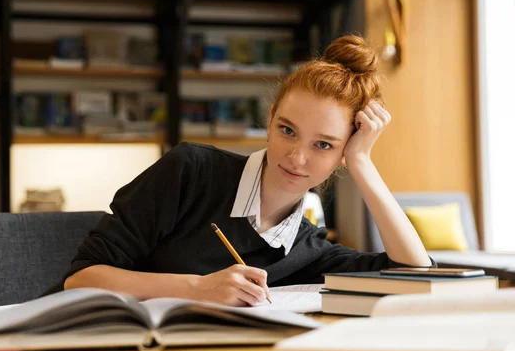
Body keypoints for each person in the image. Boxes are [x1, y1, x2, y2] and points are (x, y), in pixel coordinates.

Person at [55, 35, 434, 306]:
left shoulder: (307, 249)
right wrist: (197, 288)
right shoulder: (190, 171)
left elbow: (415, 276)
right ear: (269, 121)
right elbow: (81, 278)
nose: (297, 157)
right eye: (287, 131)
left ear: (343, 154)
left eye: (324, 145)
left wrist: (364, 163)